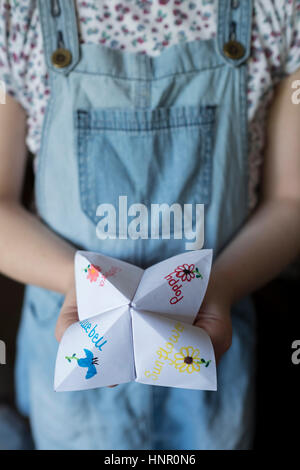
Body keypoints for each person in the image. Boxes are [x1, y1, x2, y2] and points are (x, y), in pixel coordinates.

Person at [0, 0, 300, 450]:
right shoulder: (18, 16)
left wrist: (219, 284)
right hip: (76, 343)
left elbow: (291, 200)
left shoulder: (276, 13)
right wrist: (76, 283)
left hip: (209, 342)